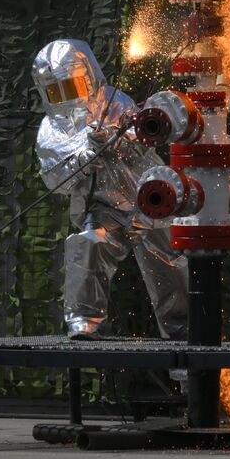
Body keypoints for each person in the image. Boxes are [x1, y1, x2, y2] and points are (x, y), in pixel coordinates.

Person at [31, 38, 189, 339]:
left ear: (88, 76)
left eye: (72, 86)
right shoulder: (49, 130)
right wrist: (86, 156)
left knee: (169, 263)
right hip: (103, 209)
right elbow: (55, 179)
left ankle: (184, 340)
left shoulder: (115, 101)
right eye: (56, 90)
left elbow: (142, 141)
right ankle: (83, 324)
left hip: (147, 199)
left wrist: (116, 140)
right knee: (87, 244)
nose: (66, 97)